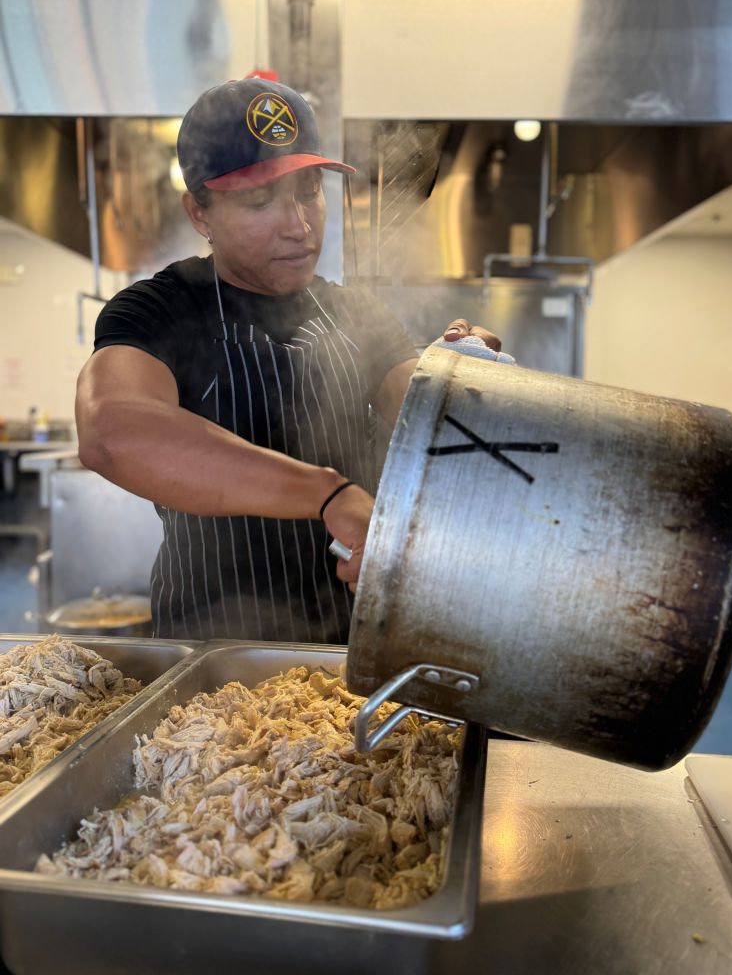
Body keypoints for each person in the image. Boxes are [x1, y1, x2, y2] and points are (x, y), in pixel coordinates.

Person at [75, 75, 499, 643]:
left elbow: (445, 442)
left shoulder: (357, 314)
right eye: (259, 201)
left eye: (308, 191)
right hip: (211, 657)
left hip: (352, 655)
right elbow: (111, 433)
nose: (299, 227)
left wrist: (471, 386)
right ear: (199, 214)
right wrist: (326, 494)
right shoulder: (158, 311)